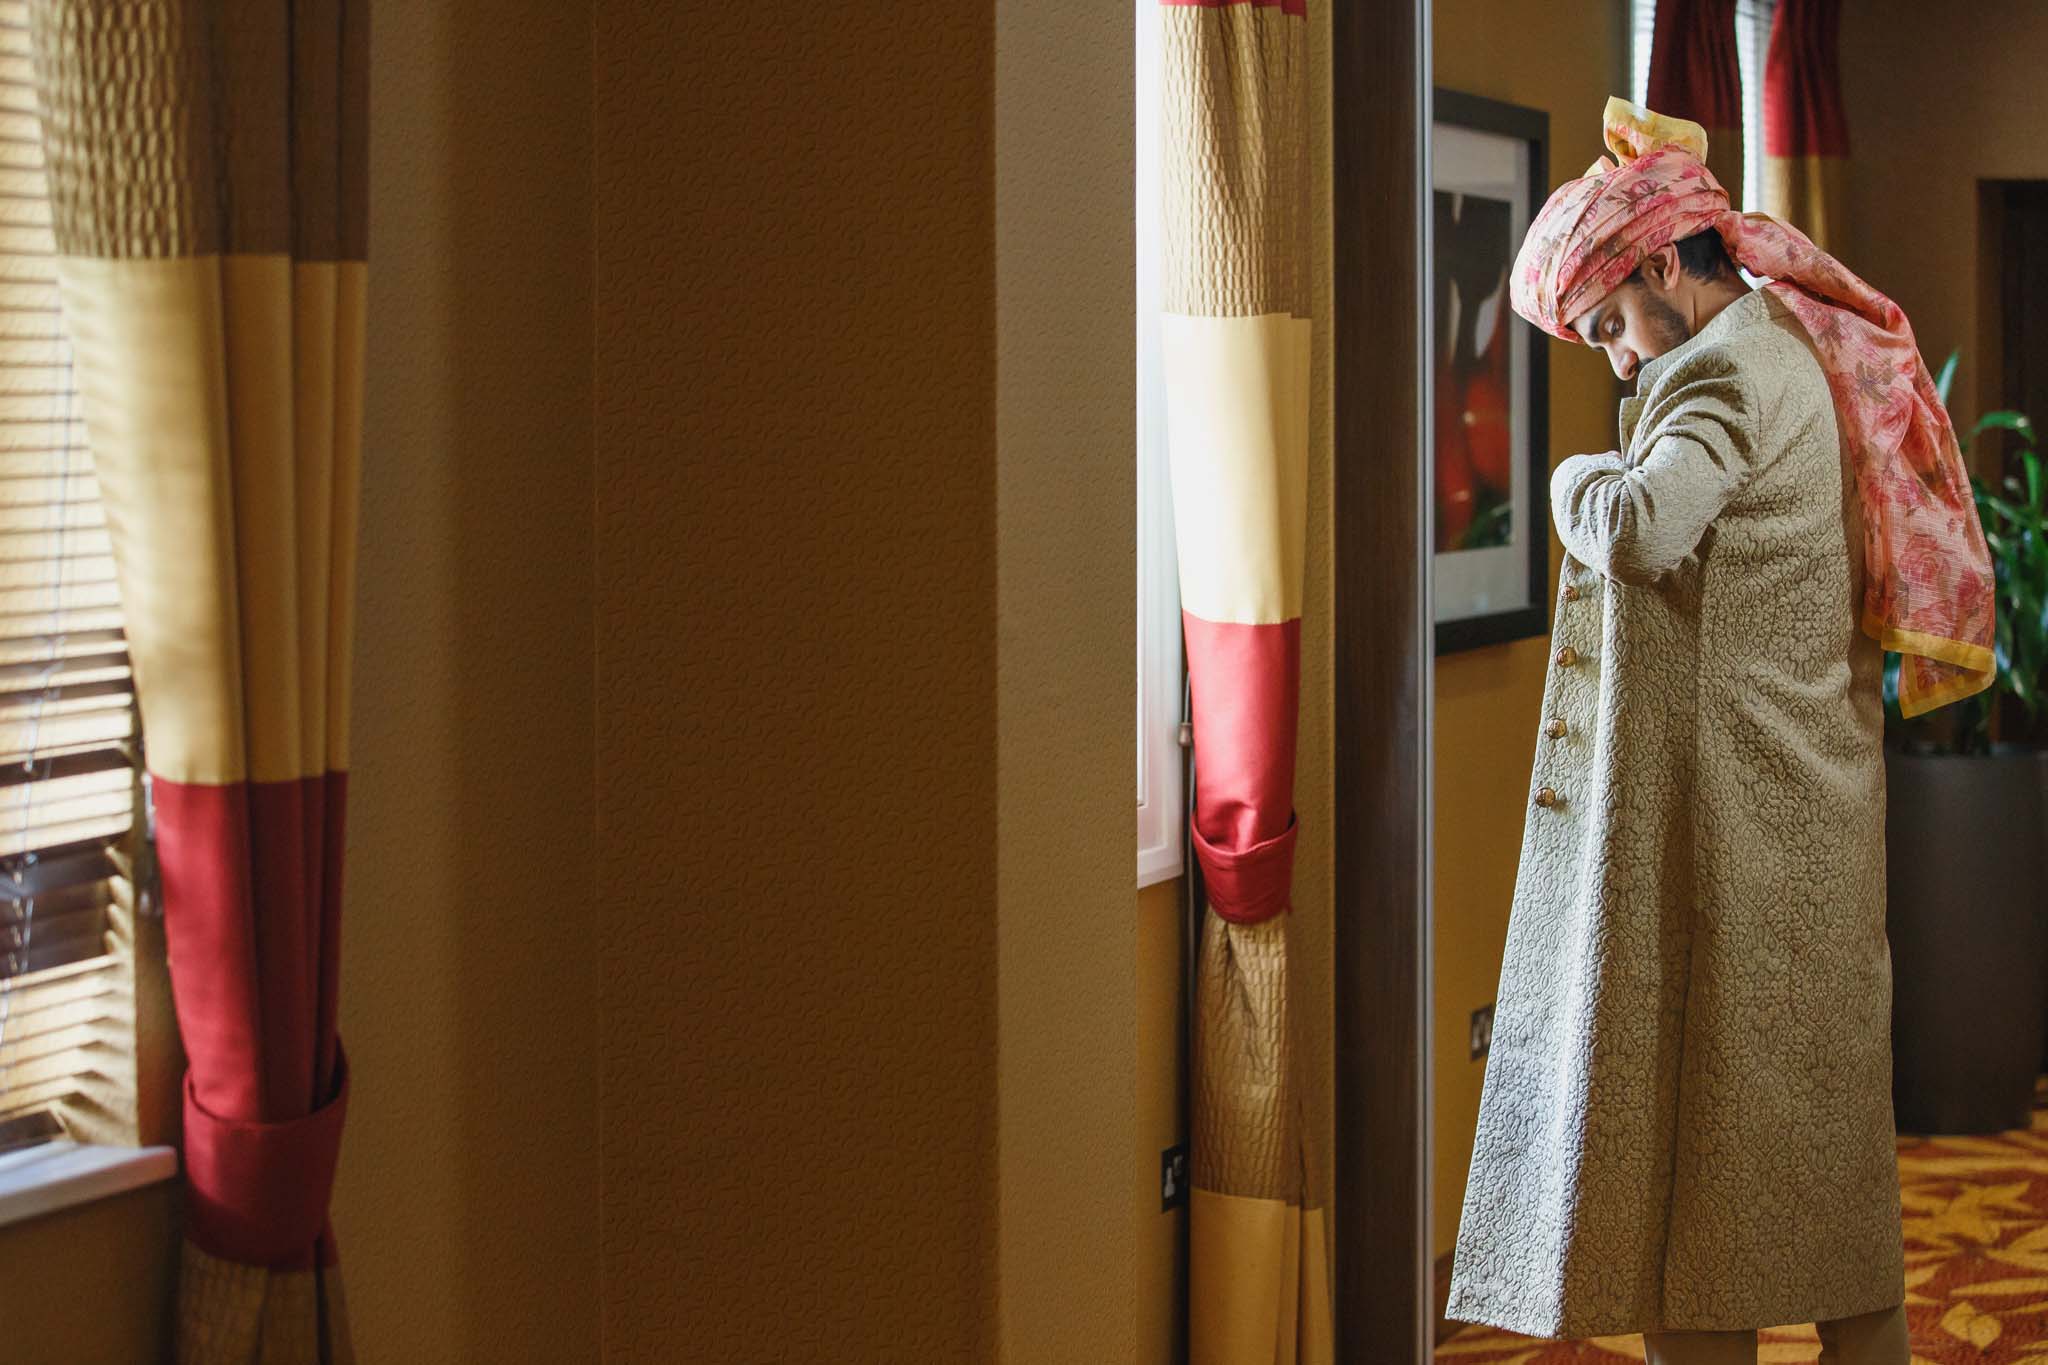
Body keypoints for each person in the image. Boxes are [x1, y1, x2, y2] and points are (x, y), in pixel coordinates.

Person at [1442, 98, 1996, 1365]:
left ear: (1657, 265)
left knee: (1707, 1162)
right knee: (1794, 1162)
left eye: (1606, 327)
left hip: (1736, 824)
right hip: (1782, 803)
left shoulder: (1720, 374)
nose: (1612, 361)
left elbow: (1639, 529)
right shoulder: (1776, 345)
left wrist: (1568, 477)